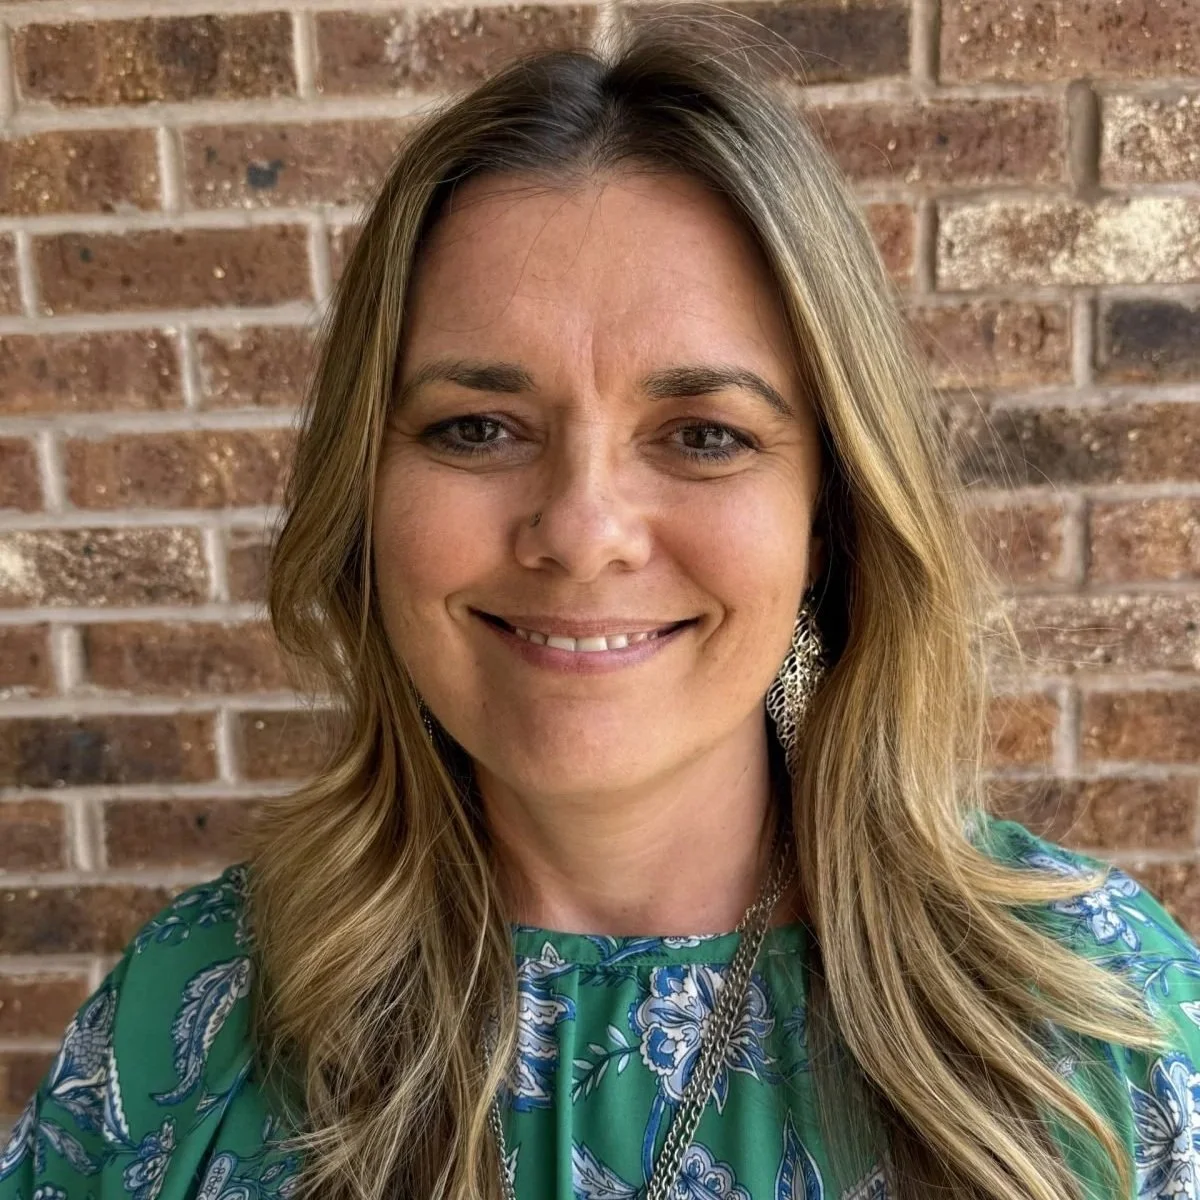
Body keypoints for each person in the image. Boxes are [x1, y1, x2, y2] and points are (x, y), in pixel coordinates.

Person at [4, 15, 1200, 1200]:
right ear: (365, 496)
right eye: (477, 427)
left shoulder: (1099, 1020)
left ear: (828, 512)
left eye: (702, 435)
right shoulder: (191, 1021)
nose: (580, 531)